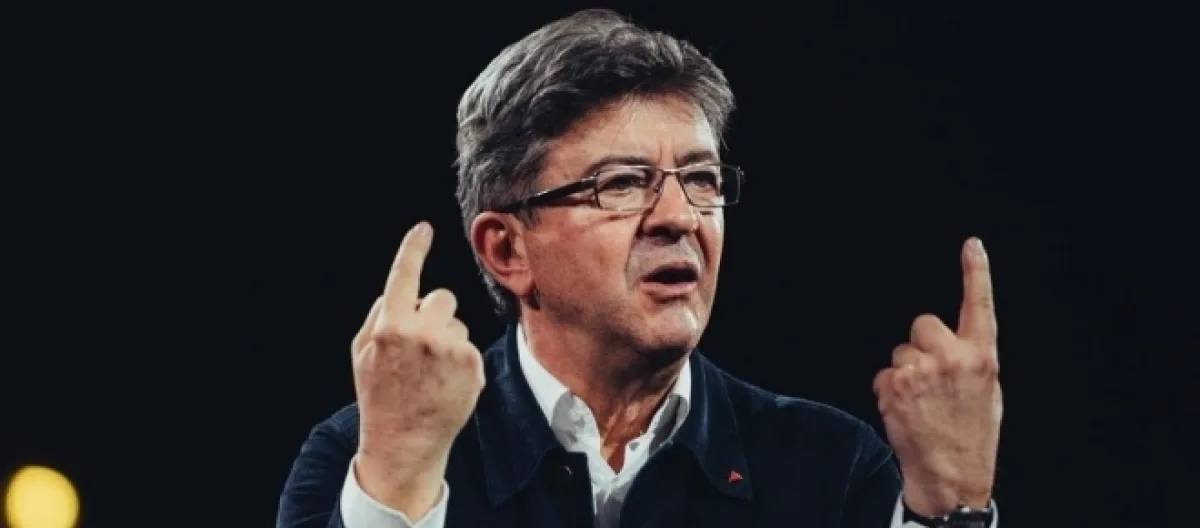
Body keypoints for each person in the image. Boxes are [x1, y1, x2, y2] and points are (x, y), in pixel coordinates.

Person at [277, 9, 1003, 528]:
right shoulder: (362, 455)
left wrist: (953, 506)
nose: (680, 217)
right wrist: (402, 474)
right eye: (622, 184)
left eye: (702, 179)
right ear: (507, 251)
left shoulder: (830, 465)